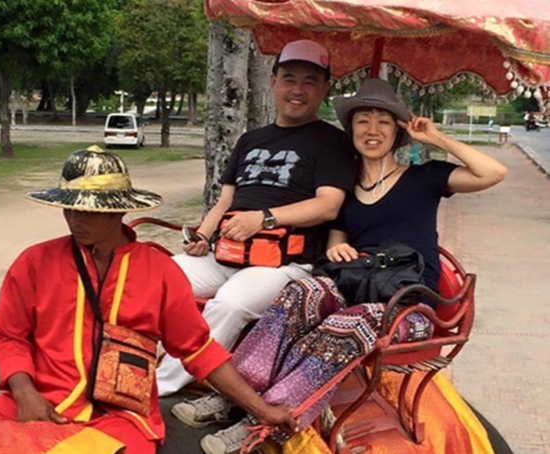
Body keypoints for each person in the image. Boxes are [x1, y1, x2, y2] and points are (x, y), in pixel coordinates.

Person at [0, 146, 297, 454]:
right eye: (71, 209)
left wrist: (261, 410)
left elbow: (199, 350)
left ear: (119, 211)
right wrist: (24, 392)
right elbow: (8, 336)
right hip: (30, 405)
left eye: (92, 211)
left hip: (120, 420)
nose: (77, 219)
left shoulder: (158, 271)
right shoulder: (35, 263)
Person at [172, 79, 507, 454]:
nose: (373, 130)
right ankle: (238, 394)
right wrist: (339, 250)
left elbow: (492, 173)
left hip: (409, 306)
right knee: (300, 292)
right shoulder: (346, 191)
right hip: (356, 288)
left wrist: (438, 139)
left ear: (398, 130)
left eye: (383, 121)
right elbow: (335, 243)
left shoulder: (424, 178)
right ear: (351, 130)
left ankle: (267, 421)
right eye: (363, 121)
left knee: (344, 325)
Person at [156, 39, 356, 397]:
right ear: (273, 83)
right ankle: (126, 364)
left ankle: (160, 385)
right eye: (289, 78)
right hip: (227, 253)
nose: (297, 90)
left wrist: (263, 220)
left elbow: (328, 205)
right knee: (154, 281)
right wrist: (202, 236)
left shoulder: (332, 142)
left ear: (325, 89)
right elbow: (225, 202)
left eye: (310, 81)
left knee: (230, 303)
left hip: (286, 265)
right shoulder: (251, 139)